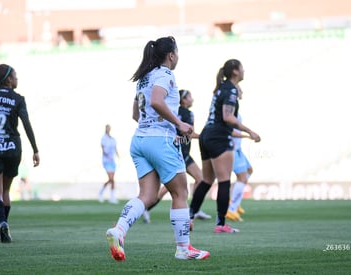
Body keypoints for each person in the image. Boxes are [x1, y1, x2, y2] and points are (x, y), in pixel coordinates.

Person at [105, 36, 209, 261]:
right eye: (177, 53)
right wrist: (179, 123)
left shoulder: (144, 78)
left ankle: (119, 230)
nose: (178, 57)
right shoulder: (165, 74)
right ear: (171, 55)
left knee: (147, 195)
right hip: (160, 140)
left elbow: (136, 114)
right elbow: (156, 101)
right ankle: (184, 249)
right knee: (181, 192)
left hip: (140, 139)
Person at [189, 59, 260, 233]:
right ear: (235, 71)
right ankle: (221, 224)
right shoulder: (230, 89)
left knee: (206, 180)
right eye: (242, 68)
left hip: (207, 134)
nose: (244, 71)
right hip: (219, 137)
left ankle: (188, 217)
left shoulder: (221, 87)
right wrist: (249, 131)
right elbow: (227, 117)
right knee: (224, 181)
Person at [0, 64, 40, 243]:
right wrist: (35, 149)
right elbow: (26, 125)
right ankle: (1, 227)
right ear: (9, 79)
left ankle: (2, 222)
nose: (17, 79)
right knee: (5, 191)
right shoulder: (18, 99)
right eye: (16, 76)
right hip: (13, 149)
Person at [142, 89, 211, 223]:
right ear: (183, 100)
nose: (192, 99)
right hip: (180, 152)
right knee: (173, 186)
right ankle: (146, 207)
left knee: (197, 179)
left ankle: (194, 209)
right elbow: (188, 133)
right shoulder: (186, 113)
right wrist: (206, 136)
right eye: (189, 96)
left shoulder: (176, 111)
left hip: (180, 150)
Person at [99, 124, 119, 204]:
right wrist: (108, 156)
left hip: (112, 161)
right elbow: (103, 150)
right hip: (106, 161)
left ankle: (112, 197)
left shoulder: (113, 139)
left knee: (112, 180)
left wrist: (118, 157)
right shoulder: (103, 138)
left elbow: (115, 149)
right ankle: (101, 192)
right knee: (111, 178)